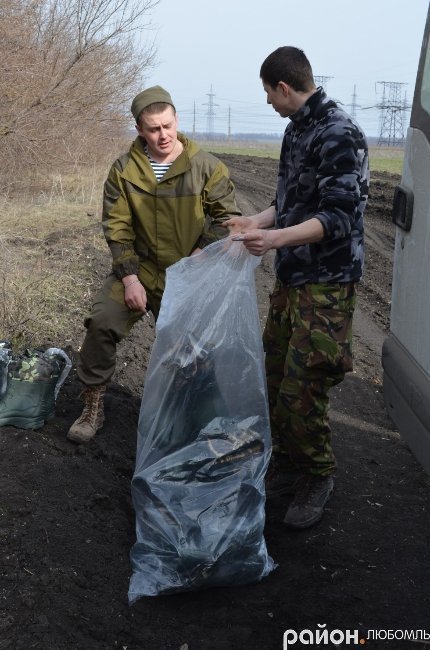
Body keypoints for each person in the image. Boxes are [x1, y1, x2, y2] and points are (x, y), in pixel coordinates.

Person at [225, 47, 369, 529]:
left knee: (302, 389)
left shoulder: (339, 133)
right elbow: (290, 200)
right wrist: (257, 221)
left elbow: (338, 218)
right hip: (291, 281)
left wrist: (273, 240)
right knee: (273, 379)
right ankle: (287, 465)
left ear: (284, 87)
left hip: (326, 286)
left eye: (268, 92)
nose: (267, 101)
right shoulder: (297, 130)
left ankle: (317, 474)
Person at [67, 85, 241, 444]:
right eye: (153, 129)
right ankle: (93, 405)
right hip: (141, 267)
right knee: (102, 321)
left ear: (176, 120)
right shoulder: (124, 170)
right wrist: (130, 278)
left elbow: (227, 219)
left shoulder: (206, 167)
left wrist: (198, 257)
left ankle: (196, 417)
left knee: (194, 347)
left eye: (168, 126)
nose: (163, 135)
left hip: (188, 270)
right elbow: (117, 227)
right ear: (140, 130)